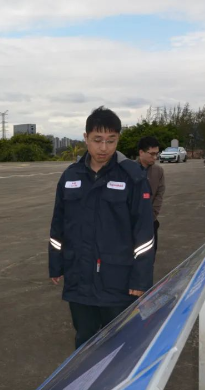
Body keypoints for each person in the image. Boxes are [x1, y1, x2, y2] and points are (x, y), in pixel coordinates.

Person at [48, 106, 155, 349]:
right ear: (85, 137)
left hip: (117, 279)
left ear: (118, 139)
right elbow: (58, 224)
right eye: (97, 140)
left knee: (119, 343)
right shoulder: (70, 176)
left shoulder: (132, 177)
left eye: (111, 140)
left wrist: (140, 279)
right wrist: (56, 263)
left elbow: (144, 234)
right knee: (84, 340)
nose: (104, 148)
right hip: (79, 276)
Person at [137, 136, 165, 255]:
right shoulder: (128, 170)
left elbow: (159, 194)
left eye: (156, 154)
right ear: (141, 152)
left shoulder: (158, 171)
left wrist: (152, 215)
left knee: (150, 254)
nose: (155, 157)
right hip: (132, 223)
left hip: (151, 222)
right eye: (152, 154)